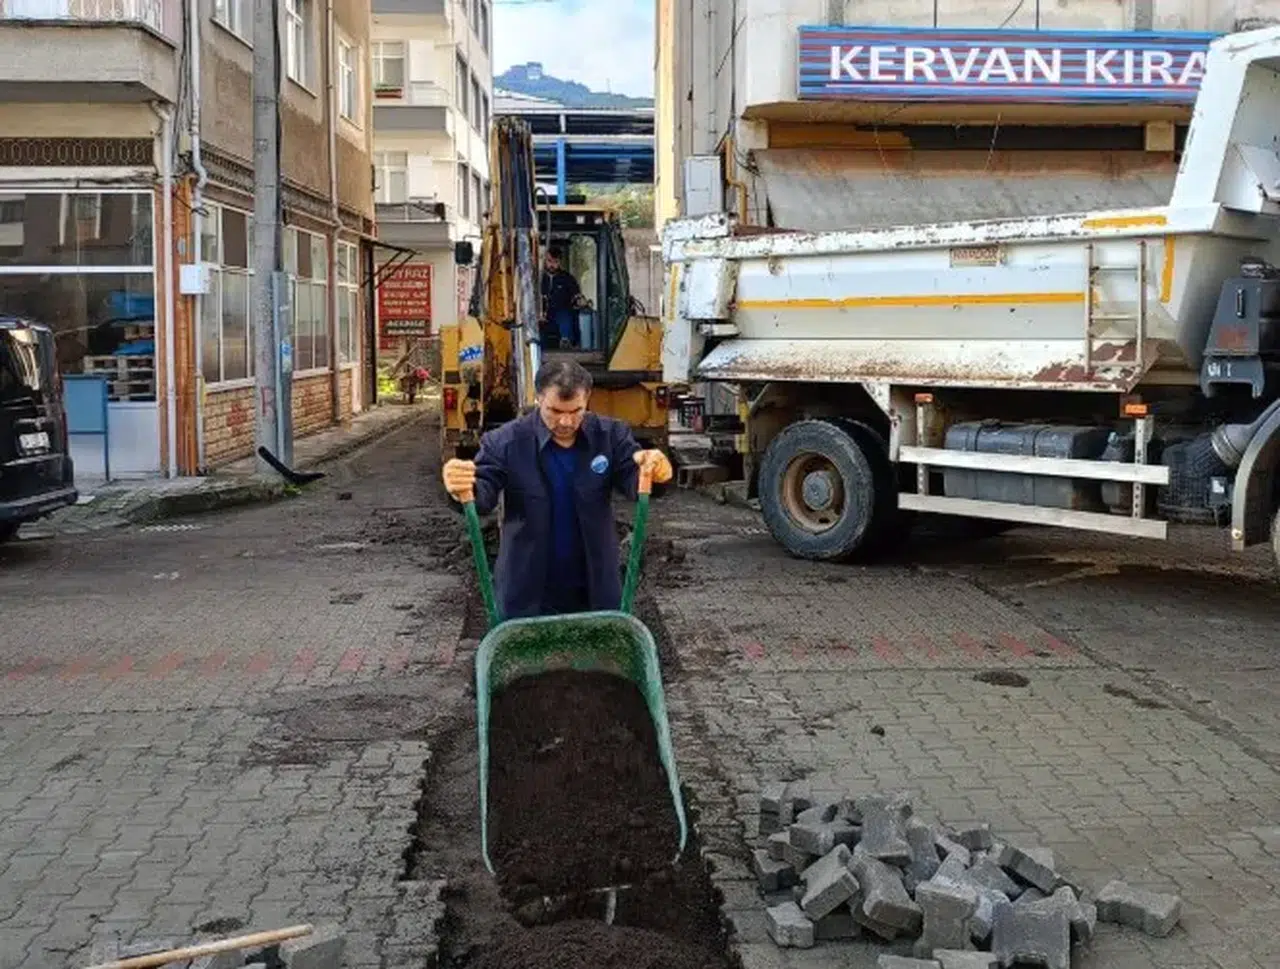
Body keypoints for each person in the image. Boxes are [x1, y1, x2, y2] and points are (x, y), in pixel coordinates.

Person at [441, 359, 673, 619]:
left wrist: (657, 473)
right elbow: (482, 496)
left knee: (598, 658)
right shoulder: (505, 442)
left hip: (595, 586)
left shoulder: (610, 436)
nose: (565, 421)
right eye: (555, 410)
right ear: (539, 398)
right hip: (526, 590)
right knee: (528, 658)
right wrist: (460, 486)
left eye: (576, 411)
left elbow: (635, 480)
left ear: (587, 400)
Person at [540, 244, 583, 348]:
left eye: (555, 262)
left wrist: (579, 300)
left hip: (561, 314)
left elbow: (576, 295)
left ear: (560, 262)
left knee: (565, 313)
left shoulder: (567, 279)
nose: (552, 265)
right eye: (549, 261)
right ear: (545, 261)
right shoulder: (538, 279)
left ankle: (565, 341)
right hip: (542, 314)